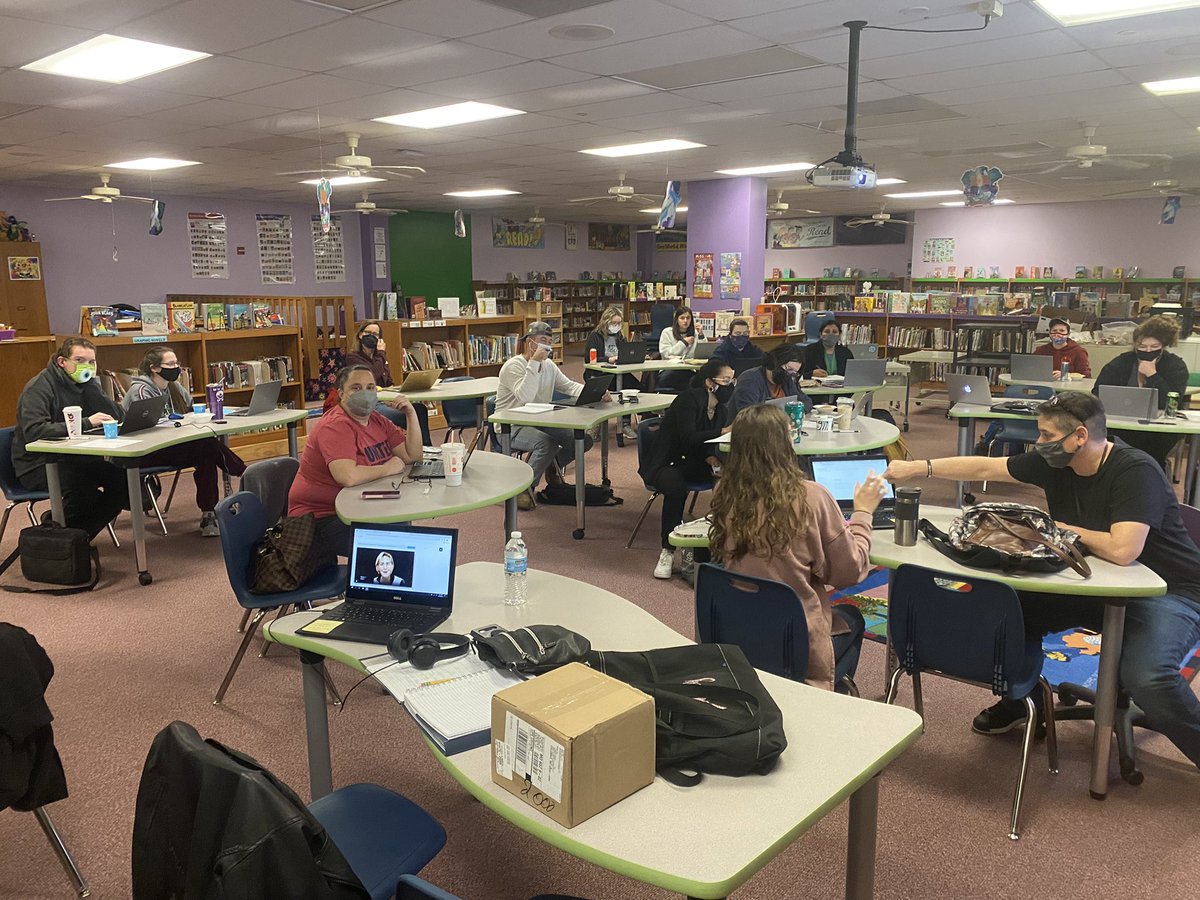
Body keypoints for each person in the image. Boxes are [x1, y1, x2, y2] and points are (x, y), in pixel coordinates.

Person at [885, 391, 1200, 769]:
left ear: (1080, 436)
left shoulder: (1135, 470)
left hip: (1170, 592)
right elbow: (986, 468)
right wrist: (919, 468)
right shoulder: (1054, 461)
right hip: (1094, 583)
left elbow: (1122, 549)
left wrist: (1061, 529)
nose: (1039, 443)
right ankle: (1025, 702)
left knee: (1148, 678)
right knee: (1006, 610)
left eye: (1047, 436)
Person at [709, 404, 885, 690]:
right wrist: (863, 514)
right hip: (796, 641)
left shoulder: (724, 493)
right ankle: (832, 697)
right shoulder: (811, 497)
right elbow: (849, 572)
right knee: (853, 617)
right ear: (786, 444)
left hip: (739, 632)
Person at [287, 364, 423, 555]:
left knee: (401, 527)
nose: (365, 393)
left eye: (370, 387)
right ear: (341, 394)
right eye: (356, 388)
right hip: (320, 519)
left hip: (359, 505)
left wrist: (411, 414)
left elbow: (412, 456)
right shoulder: (335, 426)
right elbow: (348, 477)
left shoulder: (376, 419)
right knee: (397, 541)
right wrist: (388, 467)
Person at [122, 346, 247, 536]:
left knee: (206, 452)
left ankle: (209, 514)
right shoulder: (140, 391)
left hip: (172, 446)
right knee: (207, 446)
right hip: (147, 452)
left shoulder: (174, 387)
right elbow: (148, 428)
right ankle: (245, 473)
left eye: (176, 363)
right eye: (170, 364)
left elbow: (189, 412)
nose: (176, 367)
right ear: (154, 368)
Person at [12, 338, 128, 540]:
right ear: (61, 362)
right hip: (37, 464)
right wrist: (86, 423)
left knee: (123, 480)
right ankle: (60, 536)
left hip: (73, 457)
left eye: (92, 362)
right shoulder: (39, 388)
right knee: (83, 488)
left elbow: (118, 416)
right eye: (80, 360)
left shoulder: (85, 384)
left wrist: (92, 387)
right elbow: (34, 431)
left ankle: (72, 536)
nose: (87, 366)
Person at [640, 359, 733, 579]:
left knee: (730, 479)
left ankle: (719, 546)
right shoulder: (688, 399)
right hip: (667, 461)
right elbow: (688, 437)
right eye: (727, 380)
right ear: (710, 382)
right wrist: (724, 430)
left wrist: (712, 459)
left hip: (694, 461)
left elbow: (704, 445)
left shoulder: (719, 409)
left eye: (732, 379)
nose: (731, 385)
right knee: (676, 488)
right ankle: (668, 549)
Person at [497, 322, 601, 511]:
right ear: (530, 343)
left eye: (550, 341)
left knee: (582, 440)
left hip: (539, 420)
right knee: (546, 444)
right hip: (510, 424)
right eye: (543, 341)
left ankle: (552, 466)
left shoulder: (549, 365)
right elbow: (525, 397)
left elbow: (569, 386)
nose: (548, 345)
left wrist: (595, 392)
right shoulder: (513, 367)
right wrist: (534, 362)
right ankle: (524, 488)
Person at [1093, 315, 1188, 468]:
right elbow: (1098, 391)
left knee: (1149, 453)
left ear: (1163, 345)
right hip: (1121, 423)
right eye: (1142, 347)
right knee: (1109, 449)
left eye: (1154, 347)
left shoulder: (1175, 366)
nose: (1148, 351)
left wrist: (1153, 375)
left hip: (1158, 430)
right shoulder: (1122, 362)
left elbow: (1171, 401)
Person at [340, 321, 431, 444]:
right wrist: (382, 354)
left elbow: (388, 381)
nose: (371, 336)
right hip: (370, 404)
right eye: (368, 332)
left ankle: (426, 447)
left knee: (419, 409)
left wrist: (395, 392)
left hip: (386, 400)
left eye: (375, 334)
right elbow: (371, 376)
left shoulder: (380, 358)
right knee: (409, 415)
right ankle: (417, 446)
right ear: (360, 335)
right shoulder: (353, 357)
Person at [582, 305, 640, 441]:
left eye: (619, 323)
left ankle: (625, 424)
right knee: (607, 389)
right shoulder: (595, 336)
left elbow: (626, 351)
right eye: (613, 323)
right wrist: (609, 359)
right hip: (599, 373)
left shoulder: (619, 336)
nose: (616, 326)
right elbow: (589, 359)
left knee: (633, 389)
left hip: (618, 373)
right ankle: (596, 425)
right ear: (606, 322)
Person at [728, 344, 811, 418]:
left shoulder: (787, 381)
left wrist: (799, 412)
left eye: (794, 373)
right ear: (775, 361)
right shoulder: (750, 380)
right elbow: (748, 415)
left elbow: (806, 401)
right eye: (788, 369)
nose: (790, 375)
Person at [657, 305, 706, 391]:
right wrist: (683, 343)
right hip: (669, 370)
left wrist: (701, 335)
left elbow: (703, 352)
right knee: (687, 381)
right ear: (677, 319)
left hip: (688, 370)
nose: (685, 321)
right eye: (682, 318)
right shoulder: (667, 332)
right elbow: (666, 353)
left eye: (688, 318)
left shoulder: (694, 333)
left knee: (698, 380)